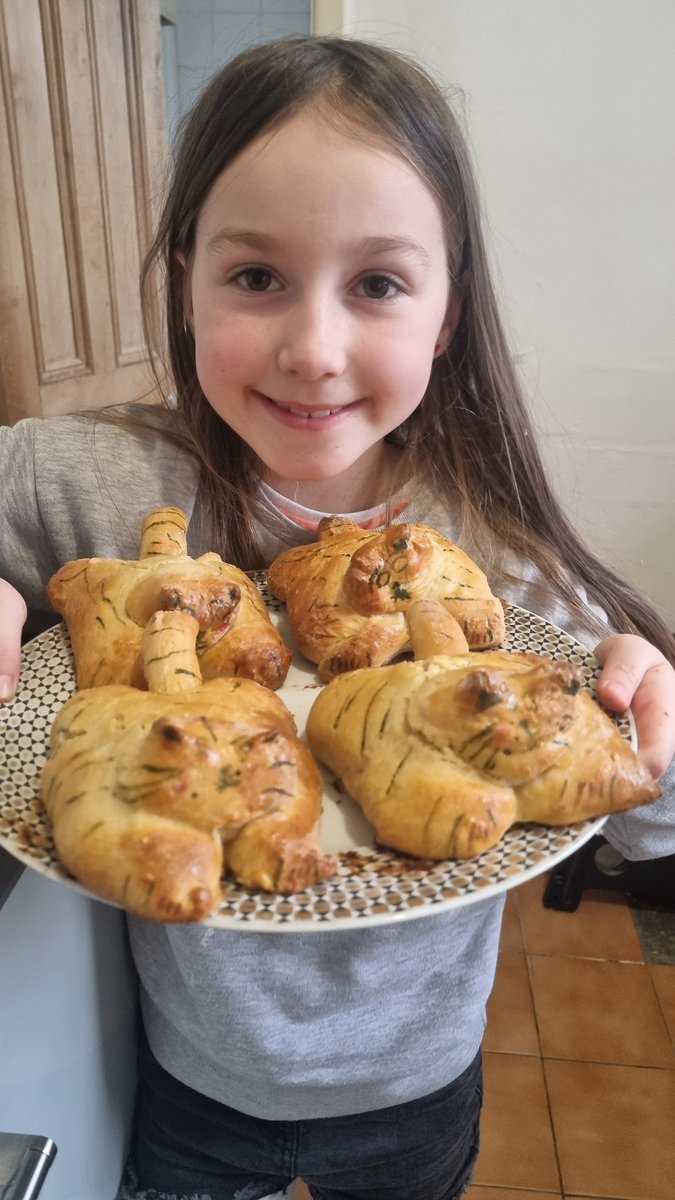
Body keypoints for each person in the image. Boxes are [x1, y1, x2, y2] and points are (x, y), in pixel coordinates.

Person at [1, 35, 674, 1200]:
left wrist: (645, 705)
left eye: (378, 283)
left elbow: (642, 828)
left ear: (449, 309)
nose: (313, 349)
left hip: (418, 1084)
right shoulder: (94, 484)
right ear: (184, 281)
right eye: (255, 277)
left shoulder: (495, 558)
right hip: (185, 1073)